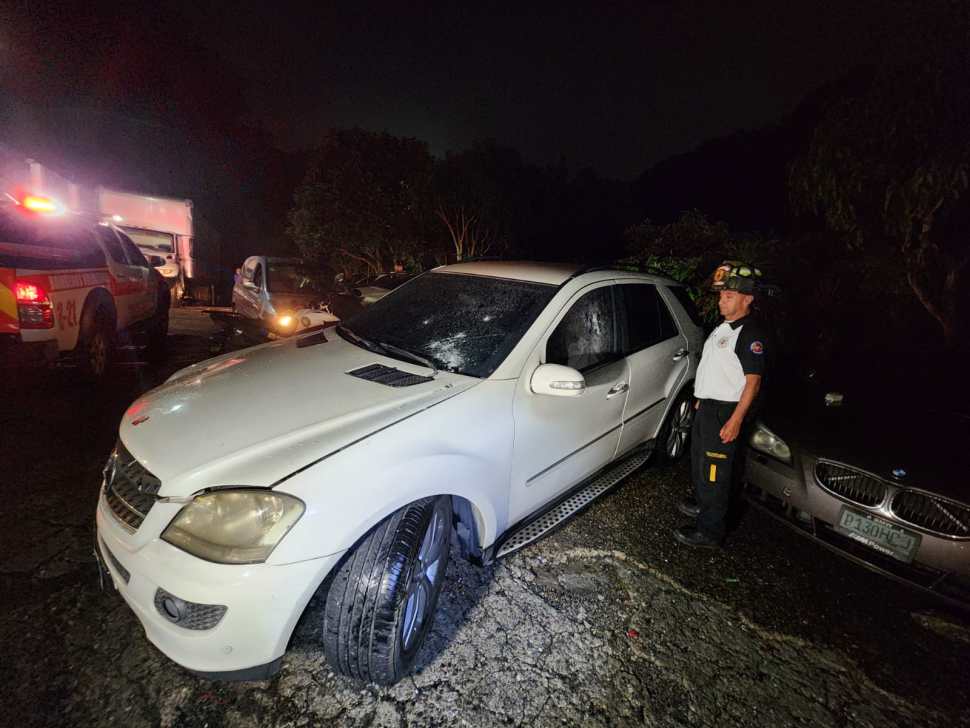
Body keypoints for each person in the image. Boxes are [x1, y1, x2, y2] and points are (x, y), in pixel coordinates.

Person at [674, 261, 771, 549]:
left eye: (728, 296)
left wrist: (736, 420)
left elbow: (752, 383)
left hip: (726, 411)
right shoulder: (725, 327)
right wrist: (701, 398)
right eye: (721, 295)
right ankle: (703, 505)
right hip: (709, 407)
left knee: (715, 473)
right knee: (701, 465)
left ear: (747, 299)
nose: (721, 300)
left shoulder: (751, 334)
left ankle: (710, 532)